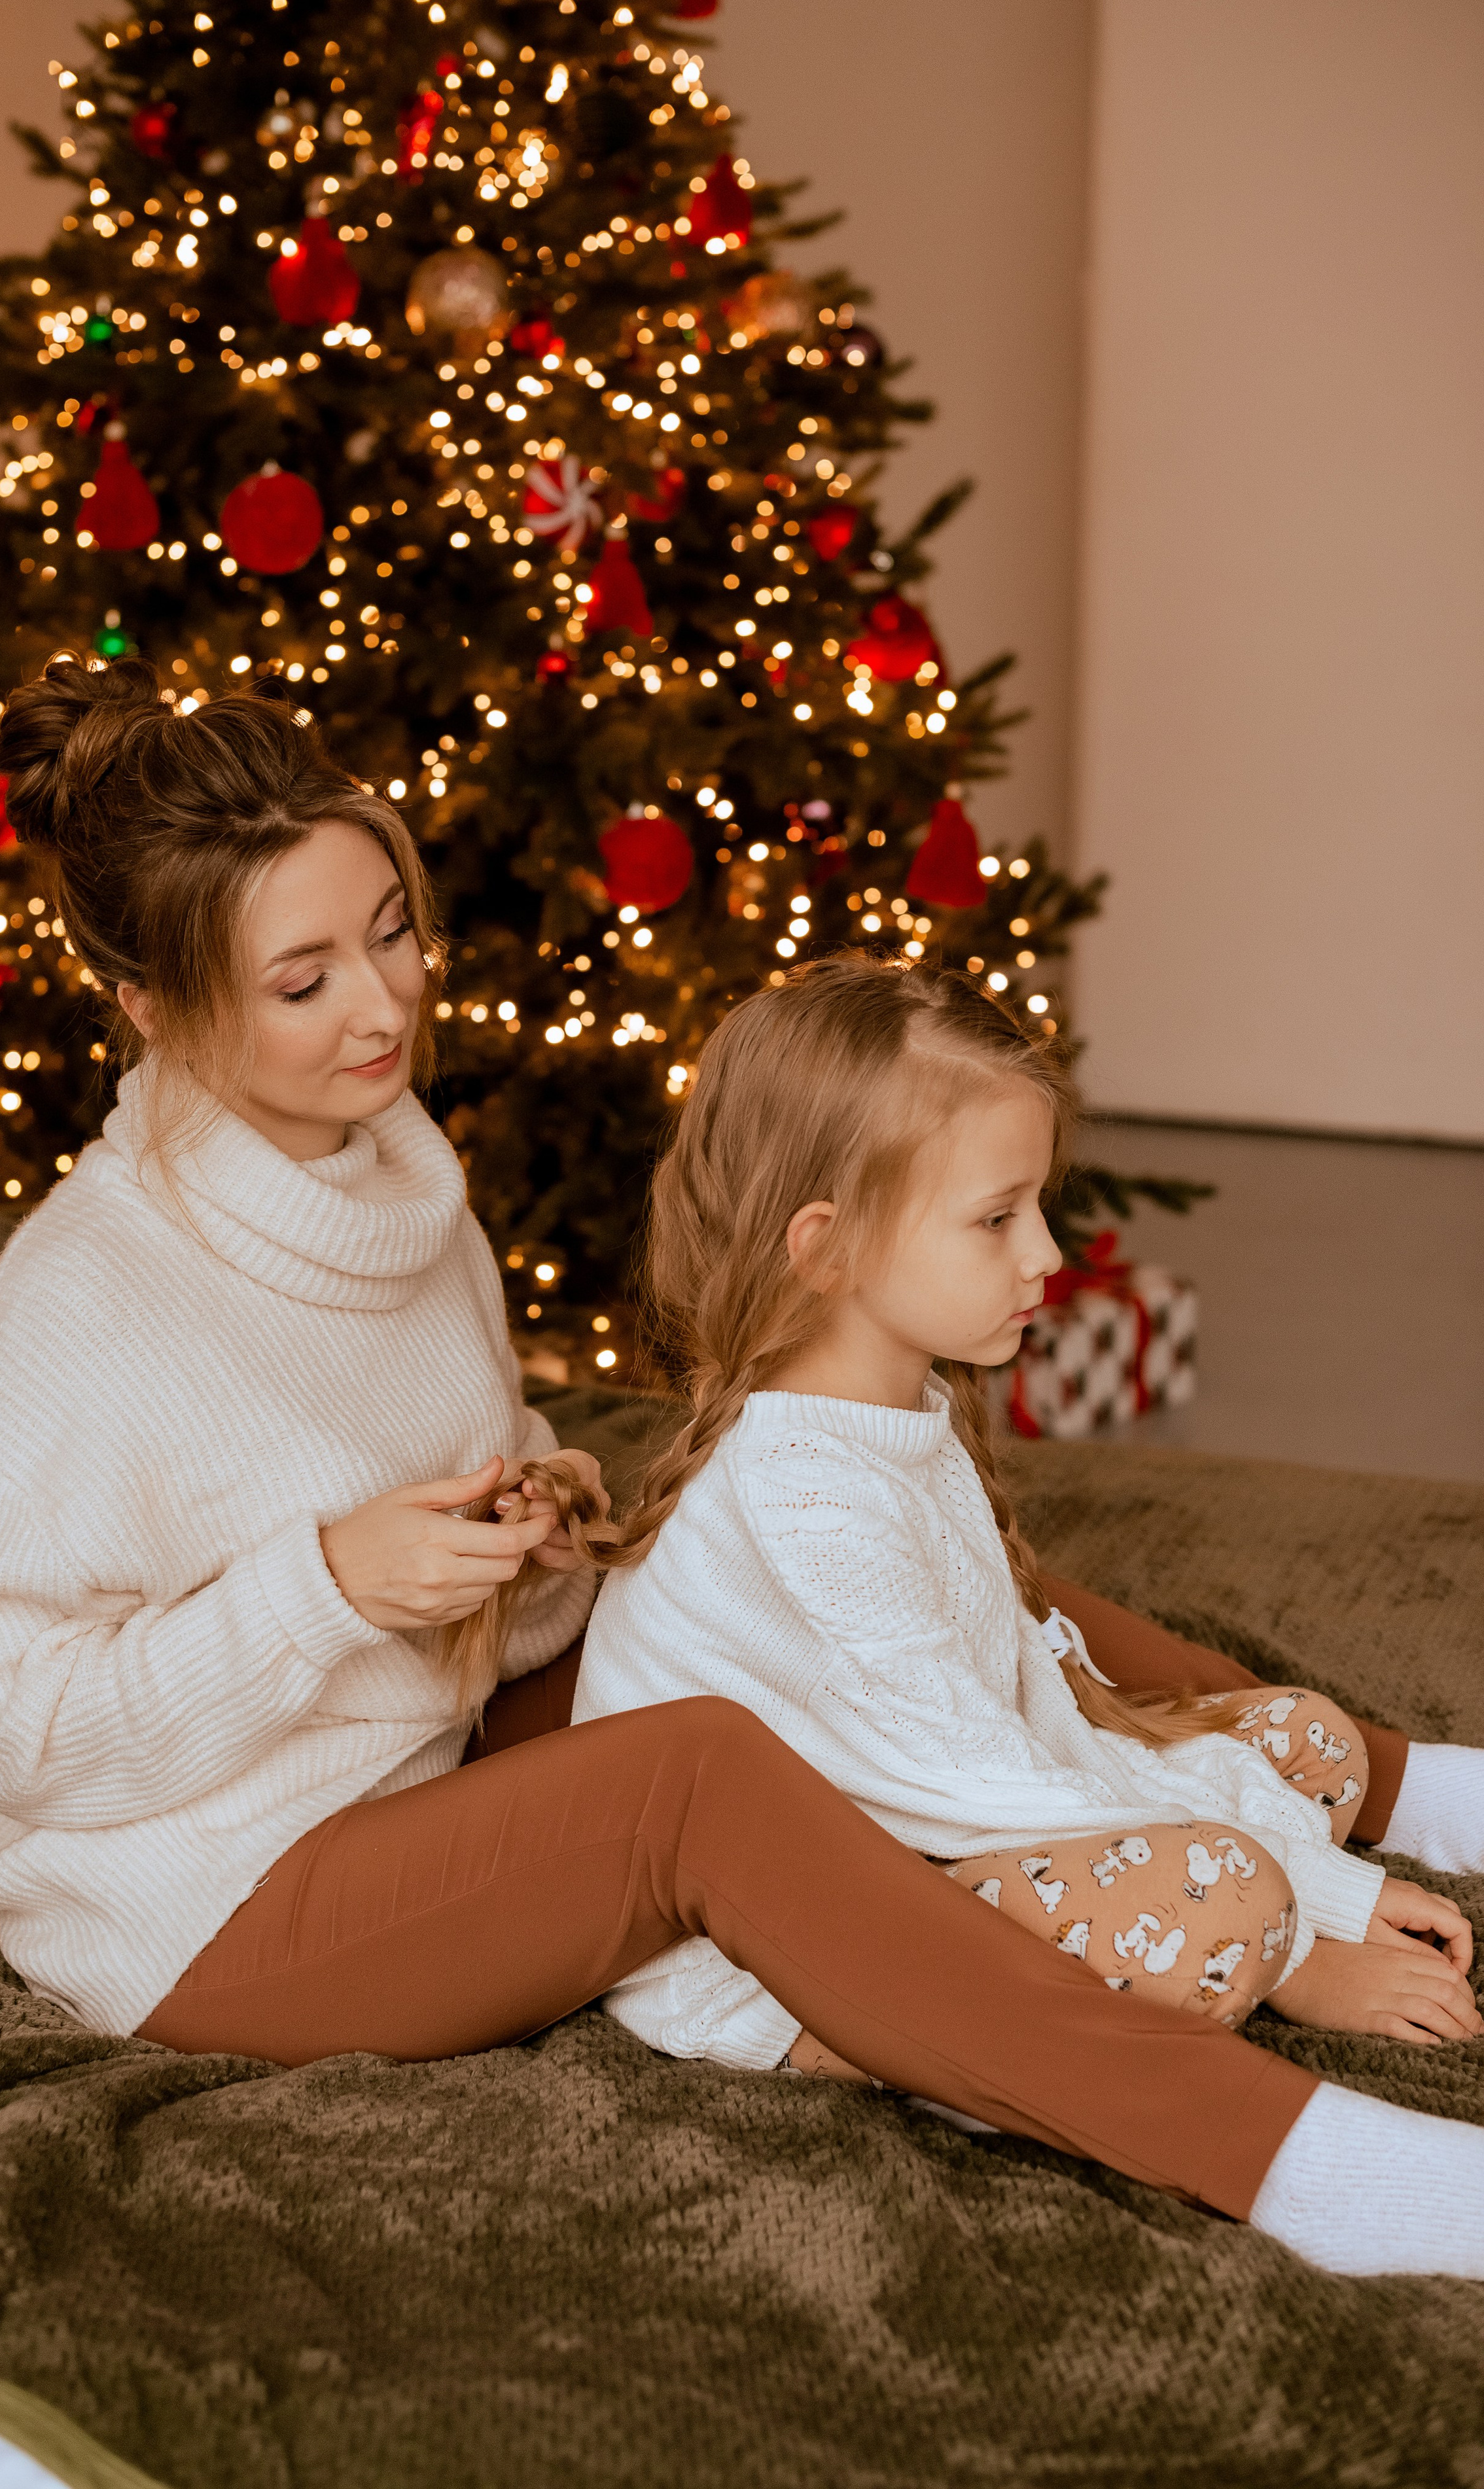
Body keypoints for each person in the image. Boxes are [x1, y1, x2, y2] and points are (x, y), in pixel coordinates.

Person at [0, 658, 1483, 2290]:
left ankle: (1411, 1785)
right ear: (152, 1006)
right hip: (211, 1903)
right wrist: (324, 1586)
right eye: (302, 981)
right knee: (694, 1779)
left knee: (839, 1513)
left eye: (388, 930)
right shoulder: (80, 1309)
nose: (383, 1007)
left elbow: (420, 1480)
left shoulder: (399, 1189)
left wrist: (531, 1515)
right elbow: (22, 1733)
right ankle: (1297, 2160)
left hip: (418, 1748)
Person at [549, 949, 1484, 2276]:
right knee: (1226, 1909)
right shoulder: (804, 1496)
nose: (1045, 1255)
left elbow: (1018, 1707)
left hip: (928, 1812)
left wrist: (1277, 1824)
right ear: (825, 1248)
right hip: (785, 1951)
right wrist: (1306, 1934)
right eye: (995, 1220)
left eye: (1035, 1207)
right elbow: (981, 1776)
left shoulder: (894, 1413)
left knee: (1307, 1747)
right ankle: (924, 2050)